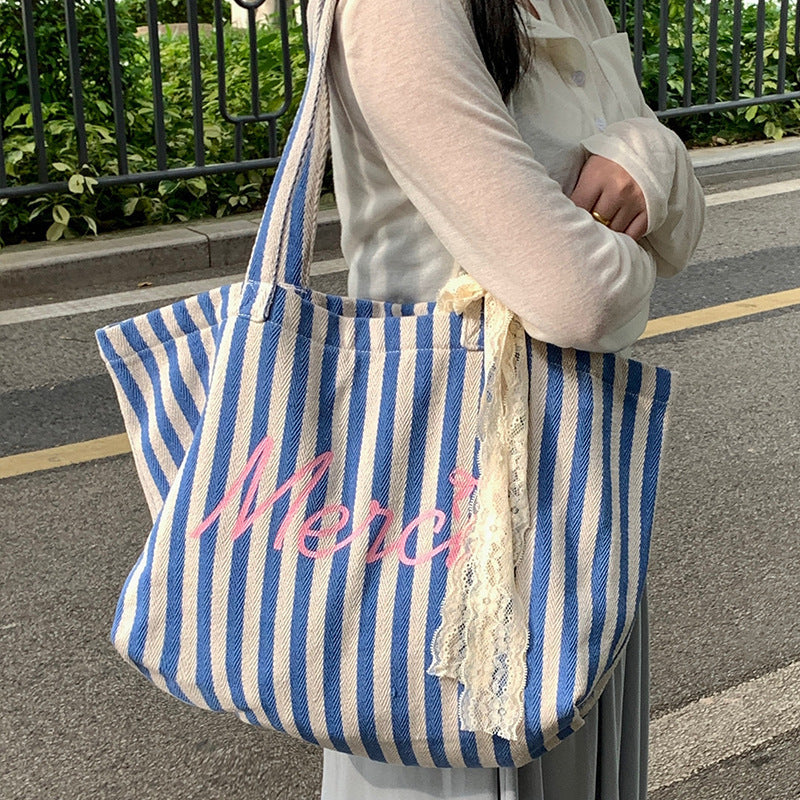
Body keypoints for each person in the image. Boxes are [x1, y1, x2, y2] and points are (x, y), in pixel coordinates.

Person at [317, 0, 706, 797]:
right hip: (439, 515)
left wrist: (650, 156)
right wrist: (631, 247)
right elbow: (580, 300)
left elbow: (679, 226)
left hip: (575, 493)